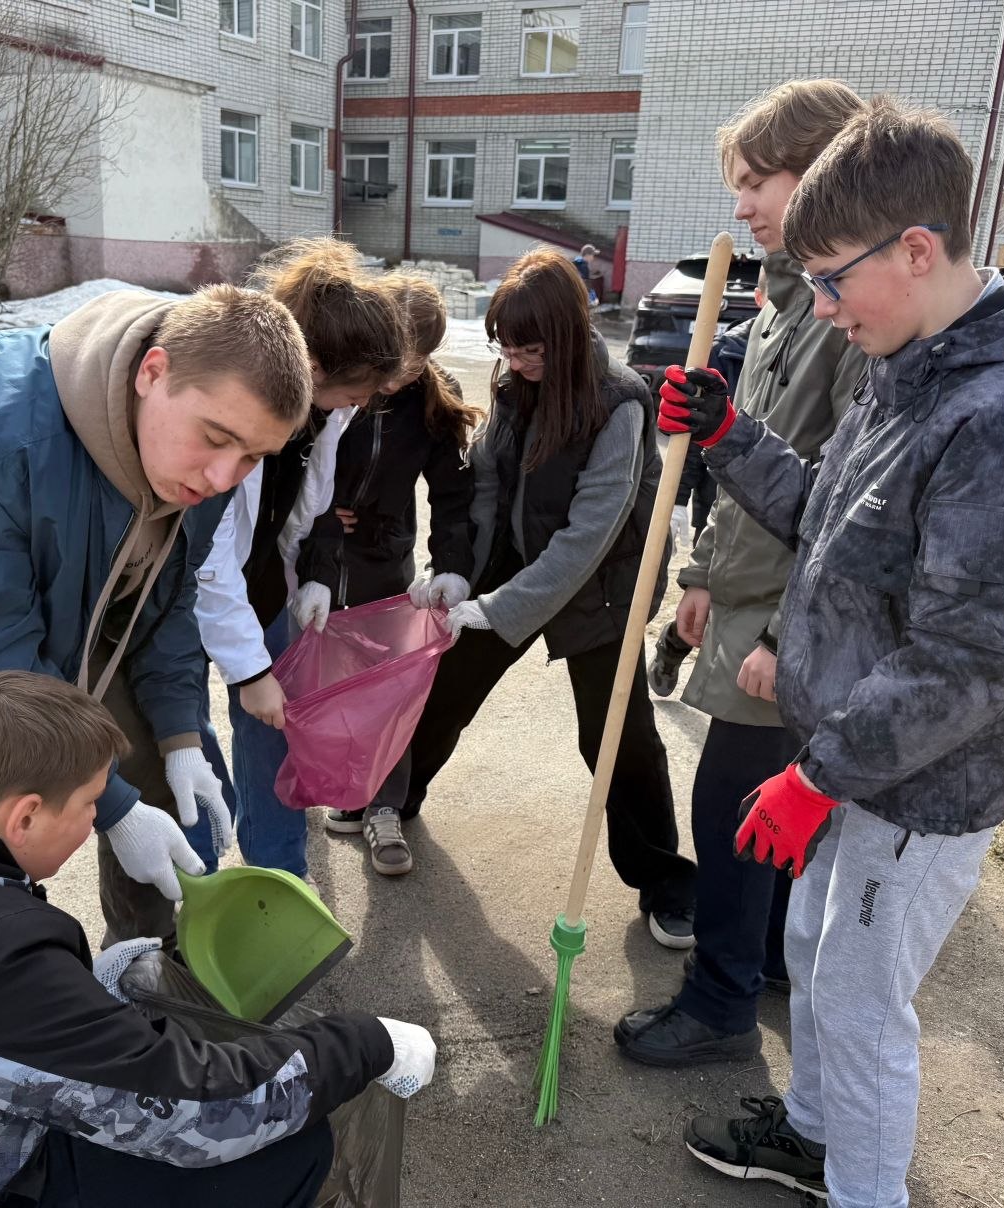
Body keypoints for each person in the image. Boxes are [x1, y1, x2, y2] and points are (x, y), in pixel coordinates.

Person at [659, 100, 1004, 1206]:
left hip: (924, 775)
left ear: (915, 248)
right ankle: (808, 1133)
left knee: (855, 1000)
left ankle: (864, 1191)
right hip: (852, 746)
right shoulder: (909, 364)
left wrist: (813, 774)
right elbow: (831, 526)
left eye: (834, 278)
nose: (823, 306)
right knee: (809, 942)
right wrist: (729, 436)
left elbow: (965, 661)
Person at [0, 670, 435, 1208]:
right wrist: (365, 1043)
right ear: (24, 815)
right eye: (91, 805)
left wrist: (79, 989)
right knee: (286, 1153)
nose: (95, 824)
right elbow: (201, 1112)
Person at [0, 281, 312, 946]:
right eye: (216, 438)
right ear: (152, 372)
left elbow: (169, 605)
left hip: (53, 622)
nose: (224, 477)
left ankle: (139, 965)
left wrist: (180, 739)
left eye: (251, 456)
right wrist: (114, 806)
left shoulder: (200, 465)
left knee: (162, 782)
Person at [619, 79, 869, 1069]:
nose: (741, 204)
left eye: (758, 180)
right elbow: (743, 462)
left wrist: (779, 632)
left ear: (820, 172)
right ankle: (761, 955)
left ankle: (719, 996)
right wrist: (701, 574)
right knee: (756, 807)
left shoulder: (847, 315)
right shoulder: (777, 302)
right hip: (747, 595)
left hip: (792, 616)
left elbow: (851, 503)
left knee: (732, 809)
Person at [400, 247, 697, 938]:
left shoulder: (619, 405)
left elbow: (586, 540)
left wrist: (501, 607)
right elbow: (488, 484)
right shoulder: (514, 385)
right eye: (503, 344)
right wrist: (463, 574)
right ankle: (392, 797)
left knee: (615, 736)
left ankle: (665, 882)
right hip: (518, 557)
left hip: (602, 589)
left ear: (562, 337)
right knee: (448, 684)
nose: (513, 359)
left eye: (528, 347)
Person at [195, 239, 407, 880]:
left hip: (257, 581)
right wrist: (247, 666)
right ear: (314, 368)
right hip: (183, 589)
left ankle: (279, 875)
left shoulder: (320, 414)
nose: (363, 404)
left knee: (271, 730)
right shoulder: (242, 411)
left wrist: (312, 573)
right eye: (359, 389)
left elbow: (307, 509)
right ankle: (195, 883)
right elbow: (211, 560)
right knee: (182, 740)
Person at [290, 274, 480, 876]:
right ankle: (328, 789)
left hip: (384, 561)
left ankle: (384, 806)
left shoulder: (432, 400)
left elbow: (452, 494)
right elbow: (305, 481)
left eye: (415, 365)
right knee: (313, 681)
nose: (395, 381)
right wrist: (321, 549)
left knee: (387, 687)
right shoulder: (334, 384)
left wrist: (450, 566)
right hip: (317, 558)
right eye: (394, 364)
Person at [663, 265, 768, 564]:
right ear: (759, 298)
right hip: (717, 506)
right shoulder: (725, 353)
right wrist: (678, 498)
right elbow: (693, 427)